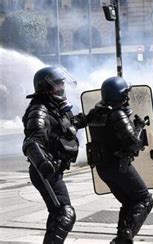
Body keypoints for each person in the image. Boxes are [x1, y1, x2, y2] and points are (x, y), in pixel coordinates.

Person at [22, 66, 87, 243]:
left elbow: (71, 125)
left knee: (58, 213)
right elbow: (31, 142)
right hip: (45, 172)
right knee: (65, 214)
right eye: (58, 84)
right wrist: (44, 164)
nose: (62, 87)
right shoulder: (39, 111)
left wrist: (93, 115)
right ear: (47, 88)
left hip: (54, 171)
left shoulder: (55, 108)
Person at [86, 77, 153, 243]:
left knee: (128, 202)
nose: (128, 98)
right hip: (119, 167)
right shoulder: (116, 115)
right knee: (144, 200)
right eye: (125, 94)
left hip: (104, 168)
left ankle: (122, 238)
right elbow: (133, 144)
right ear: (119, 95)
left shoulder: (96, 113)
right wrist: (139, 126)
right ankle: (124, 238)